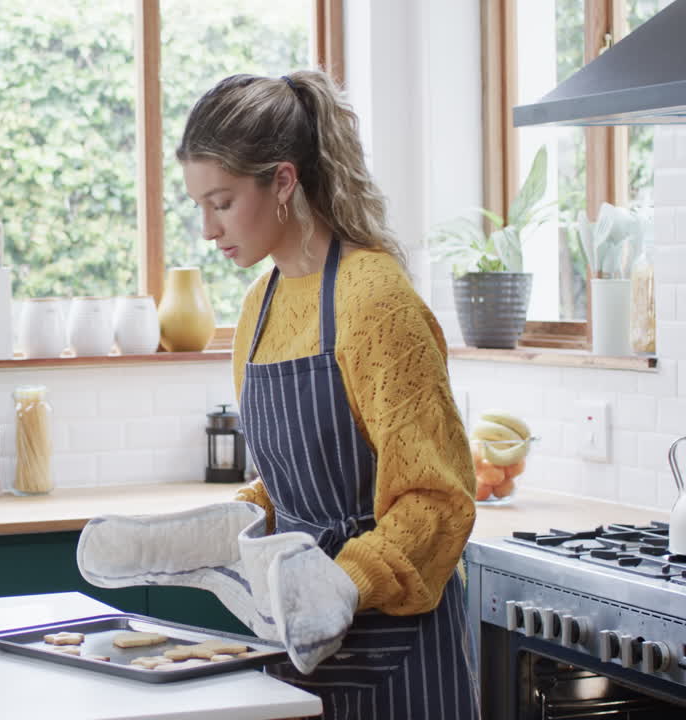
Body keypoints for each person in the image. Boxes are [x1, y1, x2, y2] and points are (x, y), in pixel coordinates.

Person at [77, 71, 479, 719]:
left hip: (396, 650)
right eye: (197, 205)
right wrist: (229, 529)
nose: (207, 229)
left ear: (284, 182)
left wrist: (344, 582)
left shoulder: (373, 300)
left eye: (223, 202)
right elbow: (291, 483)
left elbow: (438, 499)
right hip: (294, 652)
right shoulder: (259, 306)